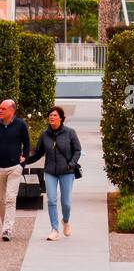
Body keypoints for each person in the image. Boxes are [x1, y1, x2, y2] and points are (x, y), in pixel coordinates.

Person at [27, 106, 81, 242]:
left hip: (67, 171)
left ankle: (66, 221)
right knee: (51, 200)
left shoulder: (70, 133)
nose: (52, 117)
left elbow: (77, 150)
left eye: (55, 115)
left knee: (66, 202)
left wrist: (72, 164)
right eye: (50, 115)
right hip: (50, 171)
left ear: (61, 118)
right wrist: (24, 161)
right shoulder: (45, 135)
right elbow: (38, 153)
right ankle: (54, 229)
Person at [0, 98, 29, 242]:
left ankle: (7, 229)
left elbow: (27, 144)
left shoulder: (20, 125)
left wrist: (22, 164)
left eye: (3, 109)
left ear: (12, 110)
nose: (0, 110)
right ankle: (4, 223)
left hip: (14, 169)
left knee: (10, 198)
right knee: (1, 200)